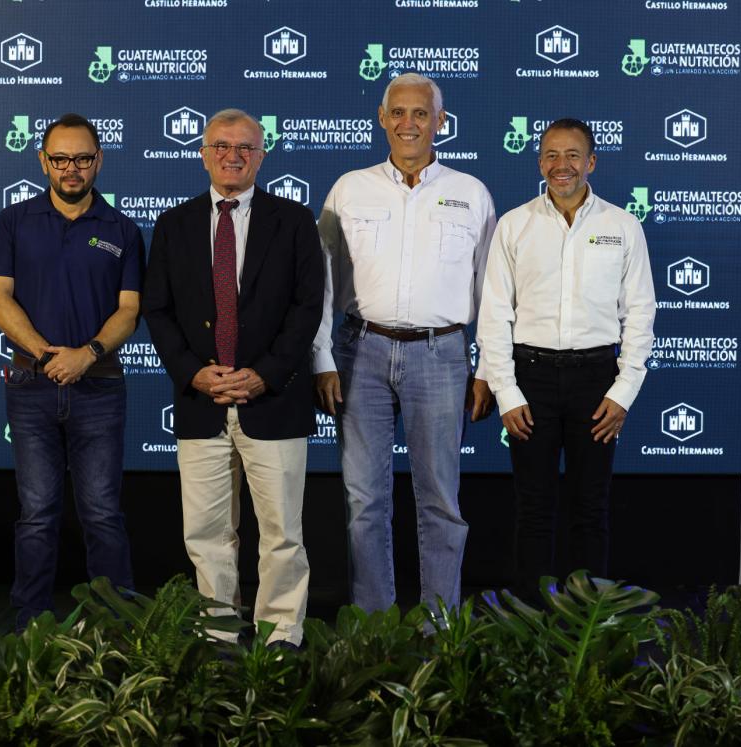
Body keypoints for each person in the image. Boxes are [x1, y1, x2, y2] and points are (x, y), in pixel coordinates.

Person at [313, 73, 497, 614]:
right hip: (359, 351)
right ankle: (375, 624)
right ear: (381, 117)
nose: (409, 123)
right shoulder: (349, 189)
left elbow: (491, 287)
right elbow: (322, 283)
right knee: (364, 500)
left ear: (441, 121)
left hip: (442, 356)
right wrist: (321, 358)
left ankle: (441, 626)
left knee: (440, 498)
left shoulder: (471, 193)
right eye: (399, 112)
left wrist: (486, 366)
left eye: (421, 113)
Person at [142, 109, 324, 648]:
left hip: (274, 402)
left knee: (282, 536)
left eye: (246, 147)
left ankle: (280, 635)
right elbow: (157, 310)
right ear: (203, 153)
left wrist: (263, 376)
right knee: (206, 533)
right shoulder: (174, 224)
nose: (233, 156)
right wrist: (194, 373)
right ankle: (220, 634)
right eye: (221, 145)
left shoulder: (294, 222)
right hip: (200, 403)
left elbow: (307, 308)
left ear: (262, 155)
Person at [477, 118, 656, 600]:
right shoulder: (514, 225)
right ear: (540, 162)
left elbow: (640, 313)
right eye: (552, 155)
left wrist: (622, 393)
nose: (562, 165)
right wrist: (506, 393)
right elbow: (494, 314)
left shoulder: (623, 226)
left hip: (597, 380)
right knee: (533, 508)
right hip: (530, 378)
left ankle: (585, 626)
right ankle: (530, 624)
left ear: (591, 161)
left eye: (573, 155)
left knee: (590, 507)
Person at [0, 113, 142, 629]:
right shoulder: (13, 222)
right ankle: (30, 620)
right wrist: (49, 355)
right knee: (36, 512)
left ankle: (114, 621)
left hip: (100, 386)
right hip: (31, 386)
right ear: (42, 162)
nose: (71, 168)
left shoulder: (122, 230)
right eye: (60, 158)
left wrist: (86, 354)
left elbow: (129, 309)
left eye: (81, 158)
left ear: (99, 160)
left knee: (101, 511)